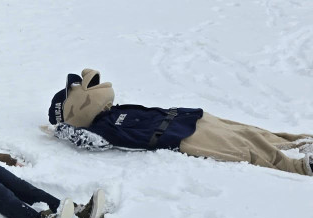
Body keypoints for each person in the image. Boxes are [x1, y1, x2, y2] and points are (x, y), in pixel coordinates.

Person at [48, 69, 313, 177]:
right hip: (185, 137)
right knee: (245, 148)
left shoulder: (112, 112)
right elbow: (87, 141)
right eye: (76, 88)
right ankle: (300, 167)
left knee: (250, 132)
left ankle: (299, 142)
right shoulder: (99, 130)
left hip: (190, 117)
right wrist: (62, 129)